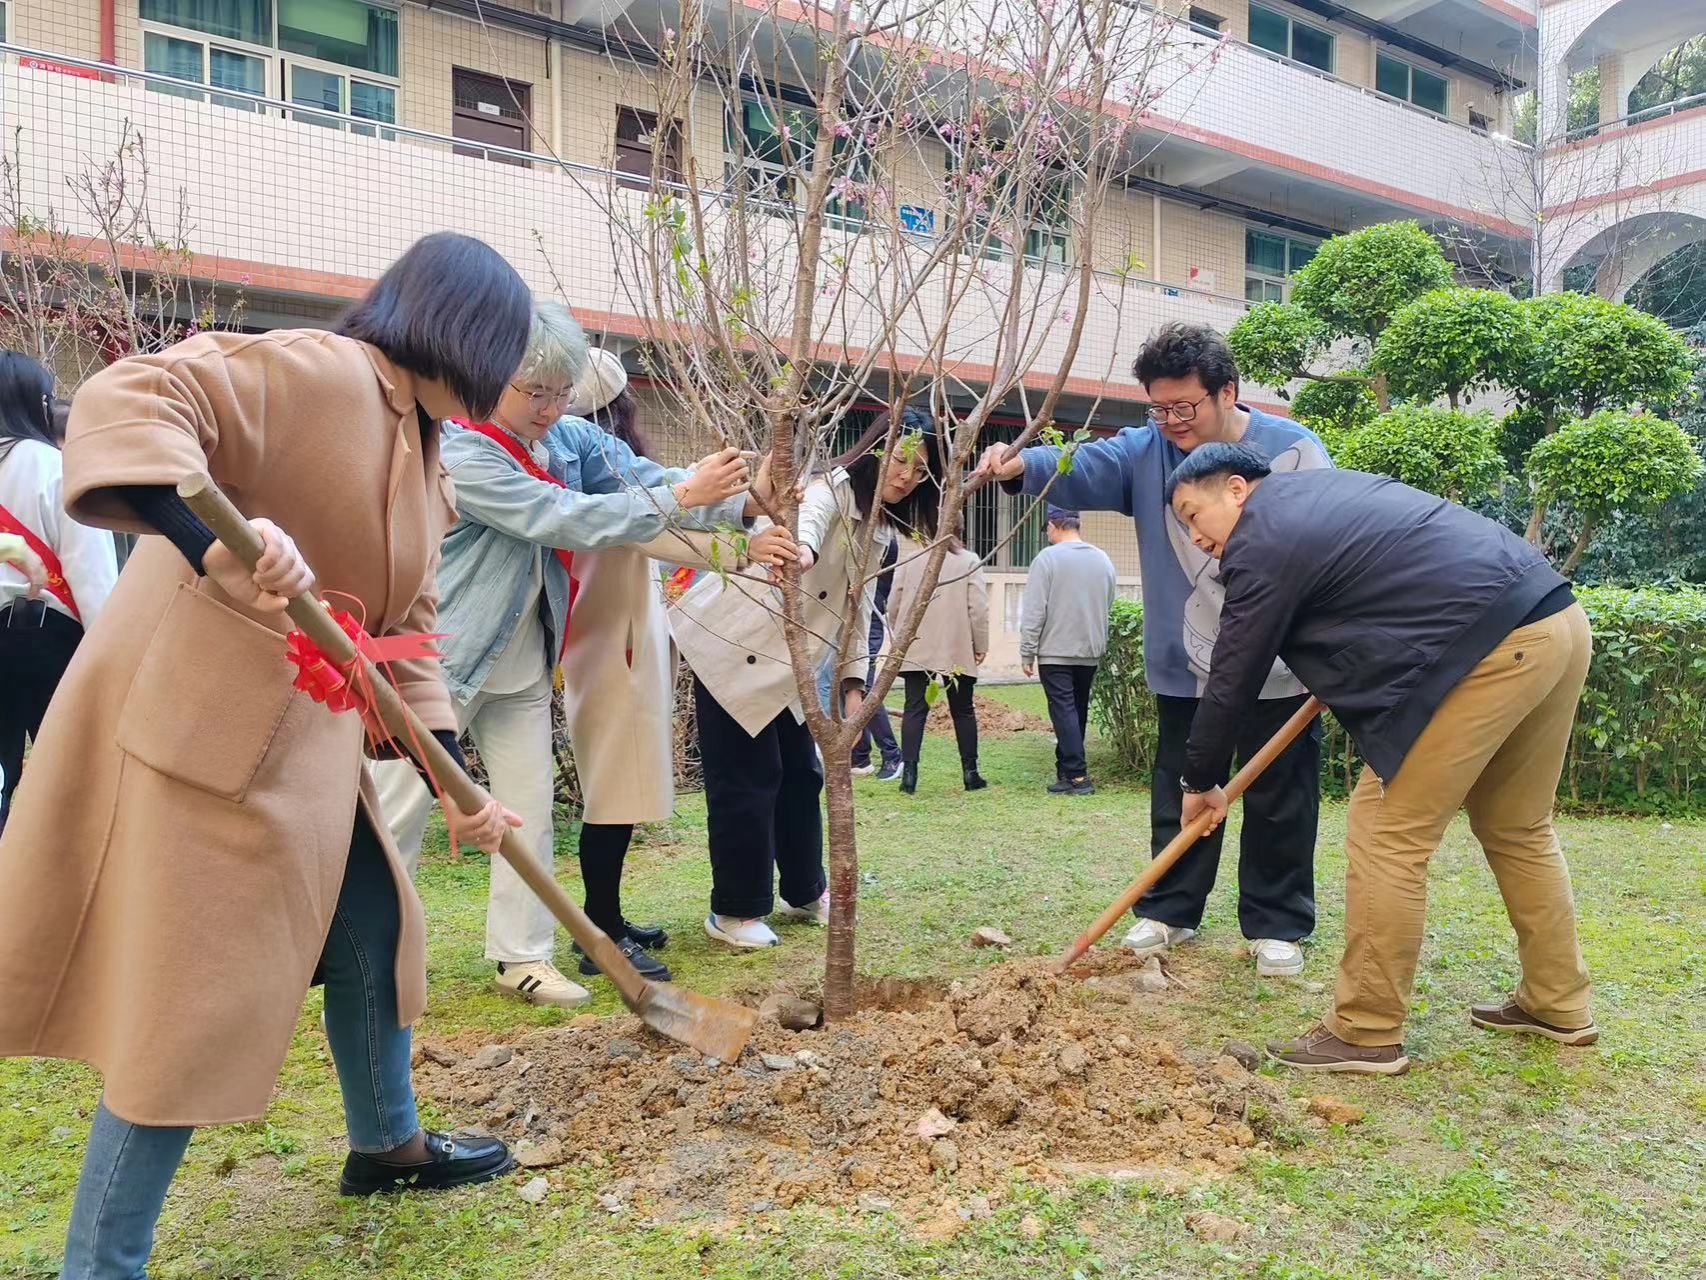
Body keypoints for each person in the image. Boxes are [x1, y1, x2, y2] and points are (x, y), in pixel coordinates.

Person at [0, 233, 538, 1278]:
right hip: (197, 737)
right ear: (466, 332)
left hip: (306, 748)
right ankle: (100, 1263)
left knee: (374, 923)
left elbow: (406, 633)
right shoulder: (319, 371)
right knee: (183, 1010)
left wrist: (451, 779)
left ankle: (387, 1143)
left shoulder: (427, 456)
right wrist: (211, 539)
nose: (514, 387)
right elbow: (127, 396)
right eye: (509, 357)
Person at [374, 313, 785, 1004]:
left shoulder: (567, 438)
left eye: (561, 392)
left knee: (527, 813)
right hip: (440, 660)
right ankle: (369, 954)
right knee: (397, 813)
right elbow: (561, 515)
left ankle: (523, 957)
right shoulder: (460, 449)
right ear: (490, 377)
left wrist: (744, 502)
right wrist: (685, 496)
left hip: (524, 660)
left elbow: (639, 477)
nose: (549, 407)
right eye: (534, 392)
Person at [1169, 444, 1595, 1075]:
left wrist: (1199, 778)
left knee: (1386, 832)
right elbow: (1388, 589)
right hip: (1556, 622)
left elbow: (1234, 671)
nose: (1194, 536)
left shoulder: (1263, 534)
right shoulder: (1318, 500)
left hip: (1492, 646)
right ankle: (1558, 1002)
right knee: (1518, 826)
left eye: (1192, 513)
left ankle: (1365, 1030)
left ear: (1236, 489)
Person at [979, 321, 1331, 979]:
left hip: (1280, 664)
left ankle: (1277, 923)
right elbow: (1084, 464)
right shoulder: (1147, 451)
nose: (1170, 422)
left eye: (1184, 407)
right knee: (1181, 790)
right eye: (1159, 409)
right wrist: (1022, 464)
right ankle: (1171, 908)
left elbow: (1330, 551)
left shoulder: (1295, 452)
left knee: (1282, 796)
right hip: (1188, 665)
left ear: (1227, 392)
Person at [558, 347, 795, 985]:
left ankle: (606, 916)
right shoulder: (594, 478)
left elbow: (665, 500)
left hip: (626, 639)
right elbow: (651, 529)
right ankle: (599, 931)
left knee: (621, 787)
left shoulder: (612, 475)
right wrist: (744, 546)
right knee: (612, 789)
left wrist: (742, 505)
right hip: (612, 644)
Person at [672, 406, 940, 949]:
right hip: (734, 646)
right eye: (900, 459)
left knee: (800, 775)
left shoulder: (879, 531)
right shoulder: (831, 490)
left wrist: (853, 685)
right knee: (747, 779)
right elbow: (810, 522)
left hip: (792, 664)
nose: (906, 476)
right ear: (875, 451)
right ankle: (734, 911)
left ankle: (803, 890)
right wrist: (804, 549)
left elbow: (858, 613)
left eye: (920, 470)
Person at [0, 351, 118, 834]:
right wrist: (112, 658)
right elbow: (91, 573)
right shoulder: (54, 464)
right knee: (70, 780)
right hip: (50, 641)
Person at [1019, 506, 1116, 796]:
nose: (1047, 534)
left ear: (1053, 524)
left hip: (1056, 649)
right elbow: (1108, 602)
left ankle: (1077, 776)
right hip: (1089, 650)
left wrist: (1027, 651)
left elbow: (1035, 610)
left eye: (1046, 528)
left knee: (1063, 711)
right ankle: (1065, 771)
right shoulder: (1103, 559)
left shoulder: (1047, 559)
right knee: (1076, 710)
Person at [887, 523, 989, 794]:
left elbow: (893, 604)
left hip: (917, 644)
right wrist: (980, 644)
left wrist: (901, 637)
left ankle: (909, 776)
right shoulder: (969, 561)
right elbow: (978, 608)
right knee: (963, 709)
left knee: (914, 709)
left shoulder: (911, 559)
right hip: (957, 646)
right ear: (962, 528)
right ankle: (971, 773)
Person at [849, 535, 904, 780]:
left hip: (869, 619)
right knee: (849, 687)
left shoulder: (882, 538)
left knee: (864, 687)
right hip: (851, 618)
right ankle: (860, 757)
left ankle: (892, 755)